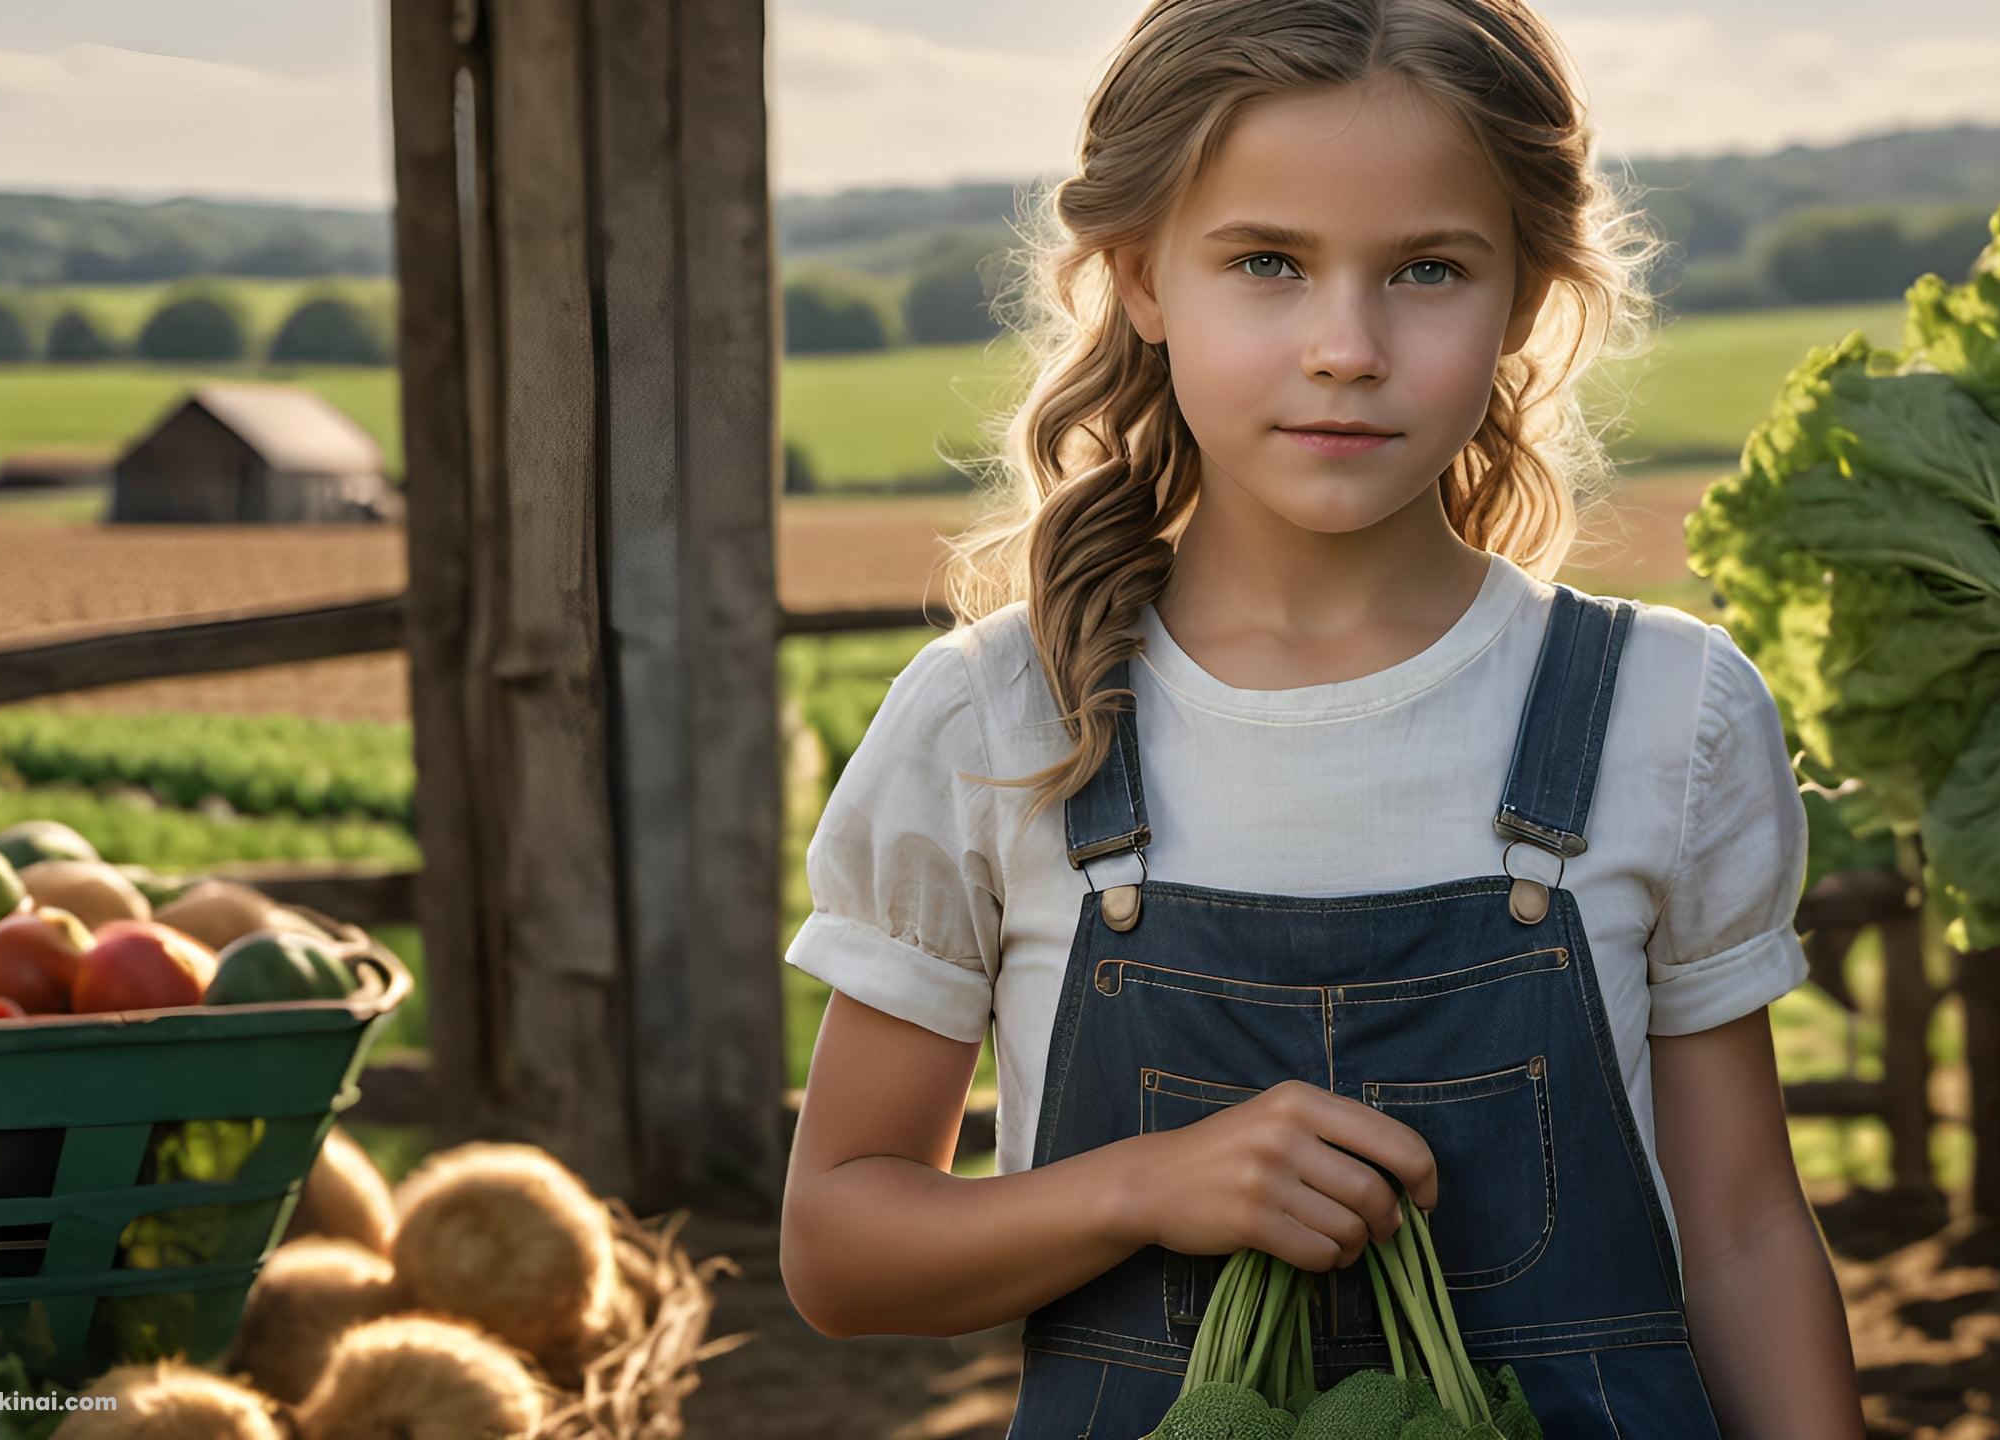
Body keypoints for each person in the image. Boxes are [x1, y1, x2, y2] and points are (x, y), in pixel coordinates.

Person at [778, 1, 1863, 1434]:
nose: (1347, 345)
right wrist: (1140, 1187)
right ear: (1141, 277)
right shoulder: (998, 726)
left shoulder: (1667, 714)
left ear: (1527, 298)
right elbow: (841, 1248)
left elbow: (1741, 1235)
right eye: (1267, 263)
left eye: (1427, 268)